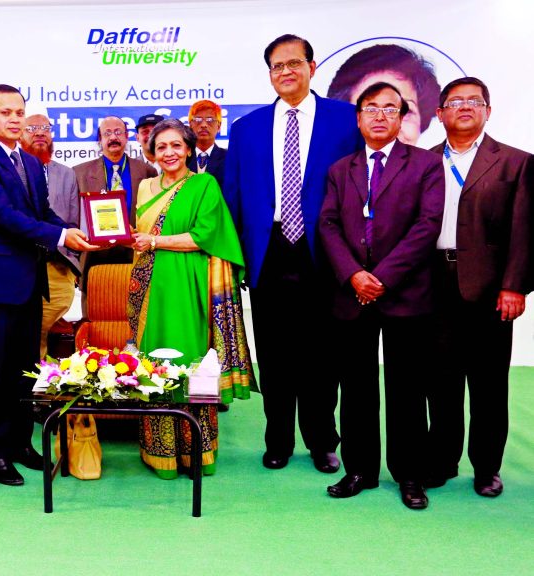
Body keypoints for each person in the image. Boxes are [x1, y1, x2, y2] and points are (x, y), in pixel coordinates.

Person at [223, 34, 362, 473]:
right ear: (269, 74)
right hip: (269, 252)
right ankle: (278, 439)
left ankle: (323, 440)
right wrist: (237, 258)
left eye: (294, 63)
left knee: (323, 355)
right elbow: (234, 199)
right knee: (276, 353)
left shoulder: (345, 120)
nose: (286, 71)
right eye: (277, 66)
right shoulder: (247, 128)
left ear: (312, 67)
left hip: (325, 251)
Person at [0, 84, 96, 486]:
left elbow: (43, 212)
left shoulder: (31, 163)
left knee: (24, 370)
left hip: (29, 282)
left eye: (19, 111)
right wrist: (60, 237)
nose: (15, 118)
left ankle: (20, 444)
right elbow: (2, 215)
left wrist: (70, 228)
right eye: (5, 112)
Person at [319, 82, 444, 510]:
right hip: (352, 295)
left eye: (389, 109)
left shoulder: (426, 165)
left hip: (405, 294)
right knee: (356, 389)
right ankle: (360, 470)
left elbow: (427, 226)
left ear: (402, 117)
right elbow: (328, 226)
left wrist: (382, 277)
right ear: (358, 118)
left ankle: (410, 474)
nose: (379, 116)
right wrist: (354, 274)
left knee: (407, 388)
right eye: (370, 108)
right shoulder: (341, 169)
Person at [128, 118, 253, 478]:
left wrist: (154, 241)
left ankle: (198, 451)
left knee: (190, 360)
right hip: (151, 287)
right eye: (161, 146)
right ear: (152, 151)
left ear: (188, 149)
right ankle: (160, 452)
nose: (169, 153)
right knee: (154, 363)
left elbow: (202, 236)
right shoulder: (146, 186)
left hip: (189, 284)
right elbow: (138, 235)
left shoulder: (204, 184)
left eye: (176, 146)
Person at [427, 77, 533, 498]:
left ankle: (487, 467)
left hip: (490, 289)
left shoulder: (516, 163)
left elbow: (526, 232)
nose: (465, 107)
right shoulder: (423, 161)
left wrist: (515, 286)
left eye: (475, 101)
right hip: (433, 283)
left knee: (489, 384)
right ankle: (443, 459)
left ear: (488, 111)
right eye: (455, 102)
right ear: (440, 114)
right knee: (441, 381)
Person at [74, 116, 157, 312]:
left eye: (118, 132)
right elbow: (73, 218)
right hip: (94, 256)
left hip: (135, 253)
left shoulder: (147, 171)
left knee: (137, 313)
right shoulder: (79, 173)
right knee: (96, 316)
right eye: (107, 133)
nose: (113, 137)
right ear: (99, 140)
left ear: (127, 137)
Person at [20, 113, 82, 358]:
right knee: (30, 333)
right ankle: (32, 385)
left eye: (45, 128)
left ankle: (41, 383)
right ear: (21, 133)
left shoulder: (66, 174)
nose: (40, 133)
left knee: (42, 330)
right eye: (33, 127)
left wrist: (73, 262)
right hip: (23, 264)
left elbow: (73, 221)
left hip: (58, 266)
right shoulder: (14, 169)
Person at [327, 44, 440, 146]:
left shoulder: (436, 167)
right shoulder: (333, 168)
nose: (387, 124)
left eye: (404, 111)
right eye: (370, 110)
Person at [186, 100, 226, 189]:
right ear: (190, 125)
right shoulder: (181, 158)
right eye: (198, 120)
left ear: (219, 126)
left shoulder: (229, 158)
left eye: (210, 120)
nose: (204, 125)